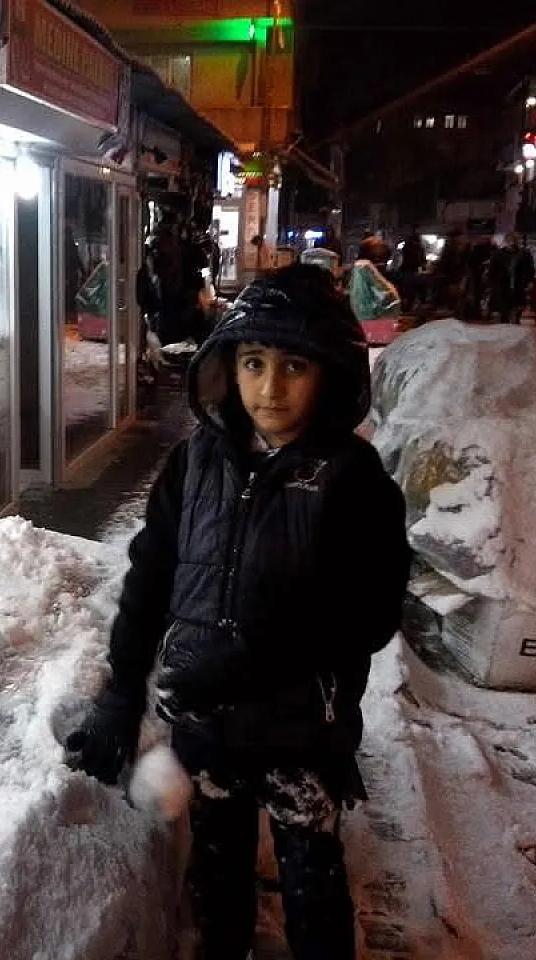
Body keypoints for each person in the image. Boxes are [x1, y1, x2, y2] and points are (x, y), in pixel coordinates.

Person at [63, 265, 412, 960]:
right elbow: (150, 579)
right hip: (209, 727)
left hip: (301, 735)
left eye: (294, 366)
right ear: (229, 367)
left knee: (311, 883)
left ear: (330, 373)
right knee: (217, 879)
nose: (270, 389)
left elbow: (371, 613)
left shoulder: (352, 479)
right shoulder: (196, 464)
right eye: (253, 363)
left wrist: (253, 658)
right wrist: (122, 690)